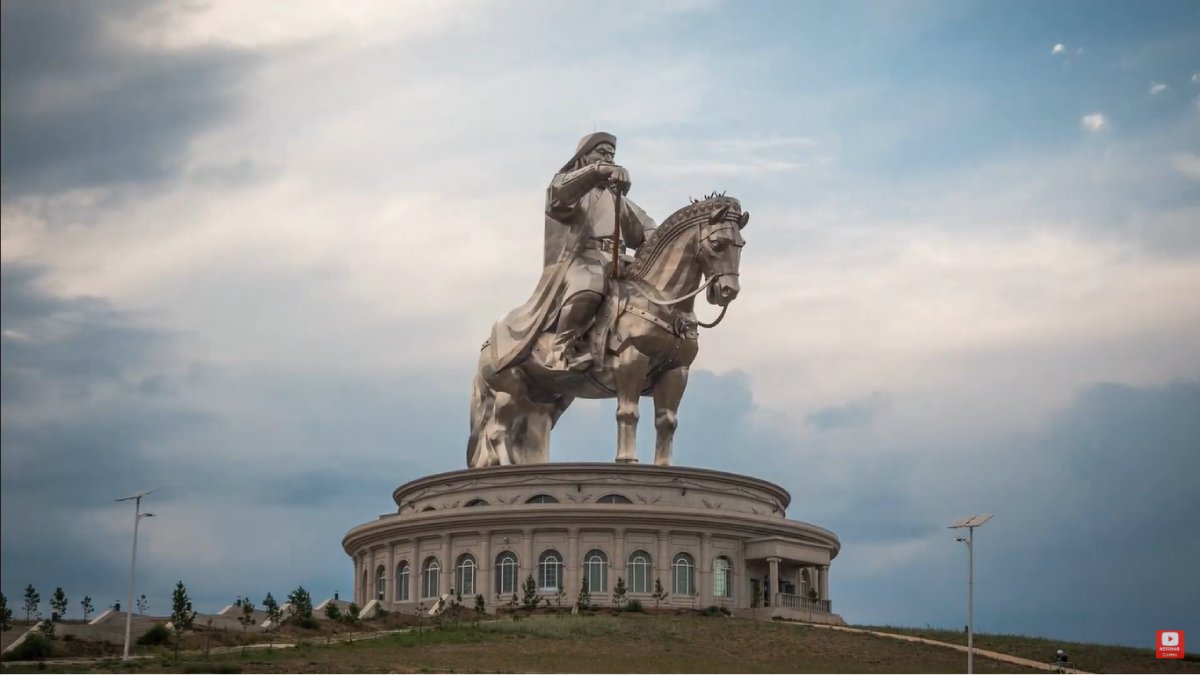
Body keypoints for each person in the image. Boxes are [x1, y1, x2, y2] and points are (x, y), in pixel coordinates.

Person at [486, 132, 656, 375]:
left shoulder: (616, 198)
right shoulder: (568, 186)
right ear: (584, 157)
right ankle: (562, 349)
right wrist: (597, 171)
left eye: (612, 154)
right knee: (588, 284)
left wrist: (658, 240)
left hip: (619, 260)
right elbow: (559, 199)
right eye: (602, 152)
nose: (609, 157)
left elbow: (646, 226)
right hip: (582, 258)